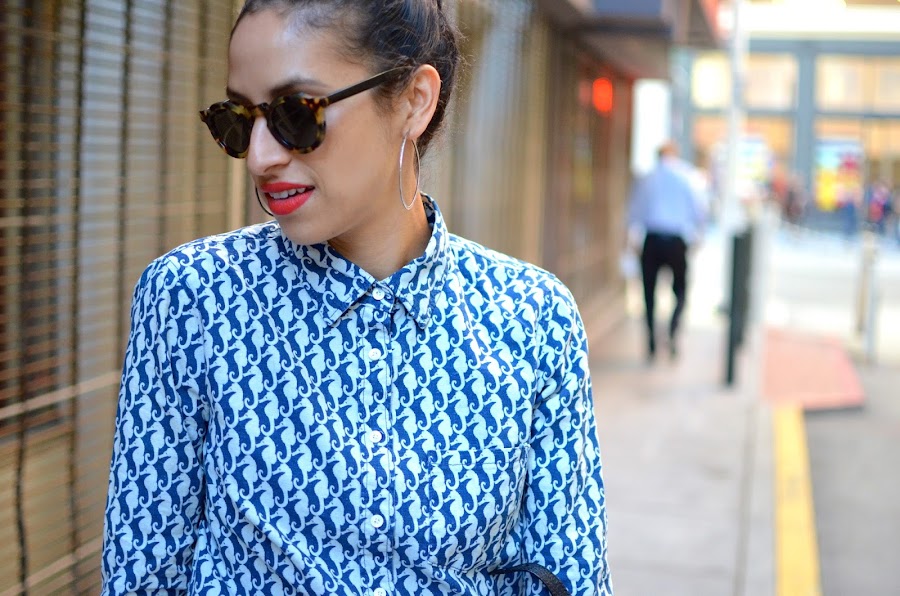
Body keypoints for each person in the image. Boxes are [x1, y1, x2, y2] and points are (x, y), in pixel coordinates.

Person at [100, 1, 612, 595]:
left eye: (295, 113)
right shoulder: (193, 298)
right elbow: (141, 577)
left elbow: (569, 579)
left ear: (415, 100)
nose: (261, 156)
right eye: (237, 119)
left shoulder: (533, 318)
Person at [627, 141, 706, 361]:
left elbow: (634, 211)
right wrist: (698, 236)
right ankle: (672, 330)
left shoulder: (648, 178)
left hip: (652, 240)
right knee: (680, 291)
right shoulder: (686, 177)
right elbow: (699, 211)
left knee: (648, 293)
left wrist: (631, 238)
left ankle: (652, 340)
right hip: (676, 241)